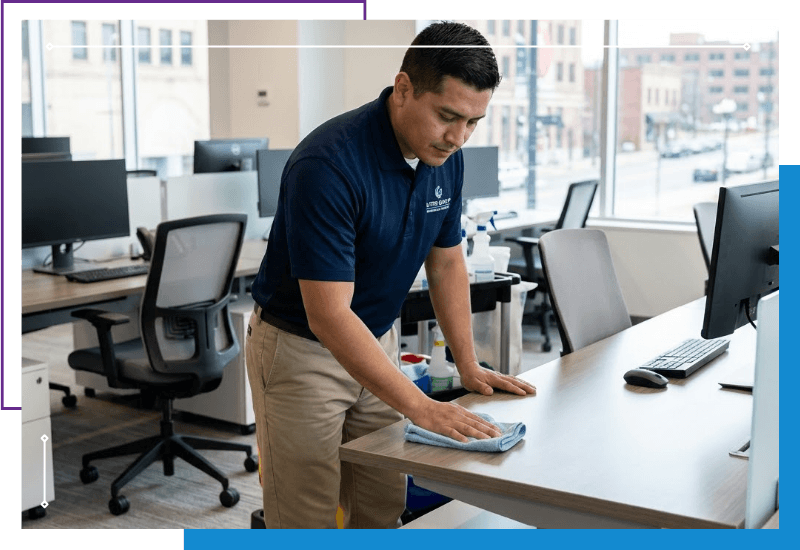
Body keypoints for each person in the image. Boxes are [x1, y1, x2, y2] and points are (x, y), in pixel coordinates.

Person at [245, 20, 536, 529]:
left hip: (378, 339)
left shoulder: (445, 157)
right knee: (306, 517)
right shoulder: (328, 165)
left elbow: (446, 262)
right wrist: (423, 407)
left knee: (381, 506)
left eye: (474, 122)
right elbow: (329, 316)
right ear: (404, 89)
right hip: (300, 352)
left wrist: (467, 365)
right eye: (448, 116)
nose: (458, 136)